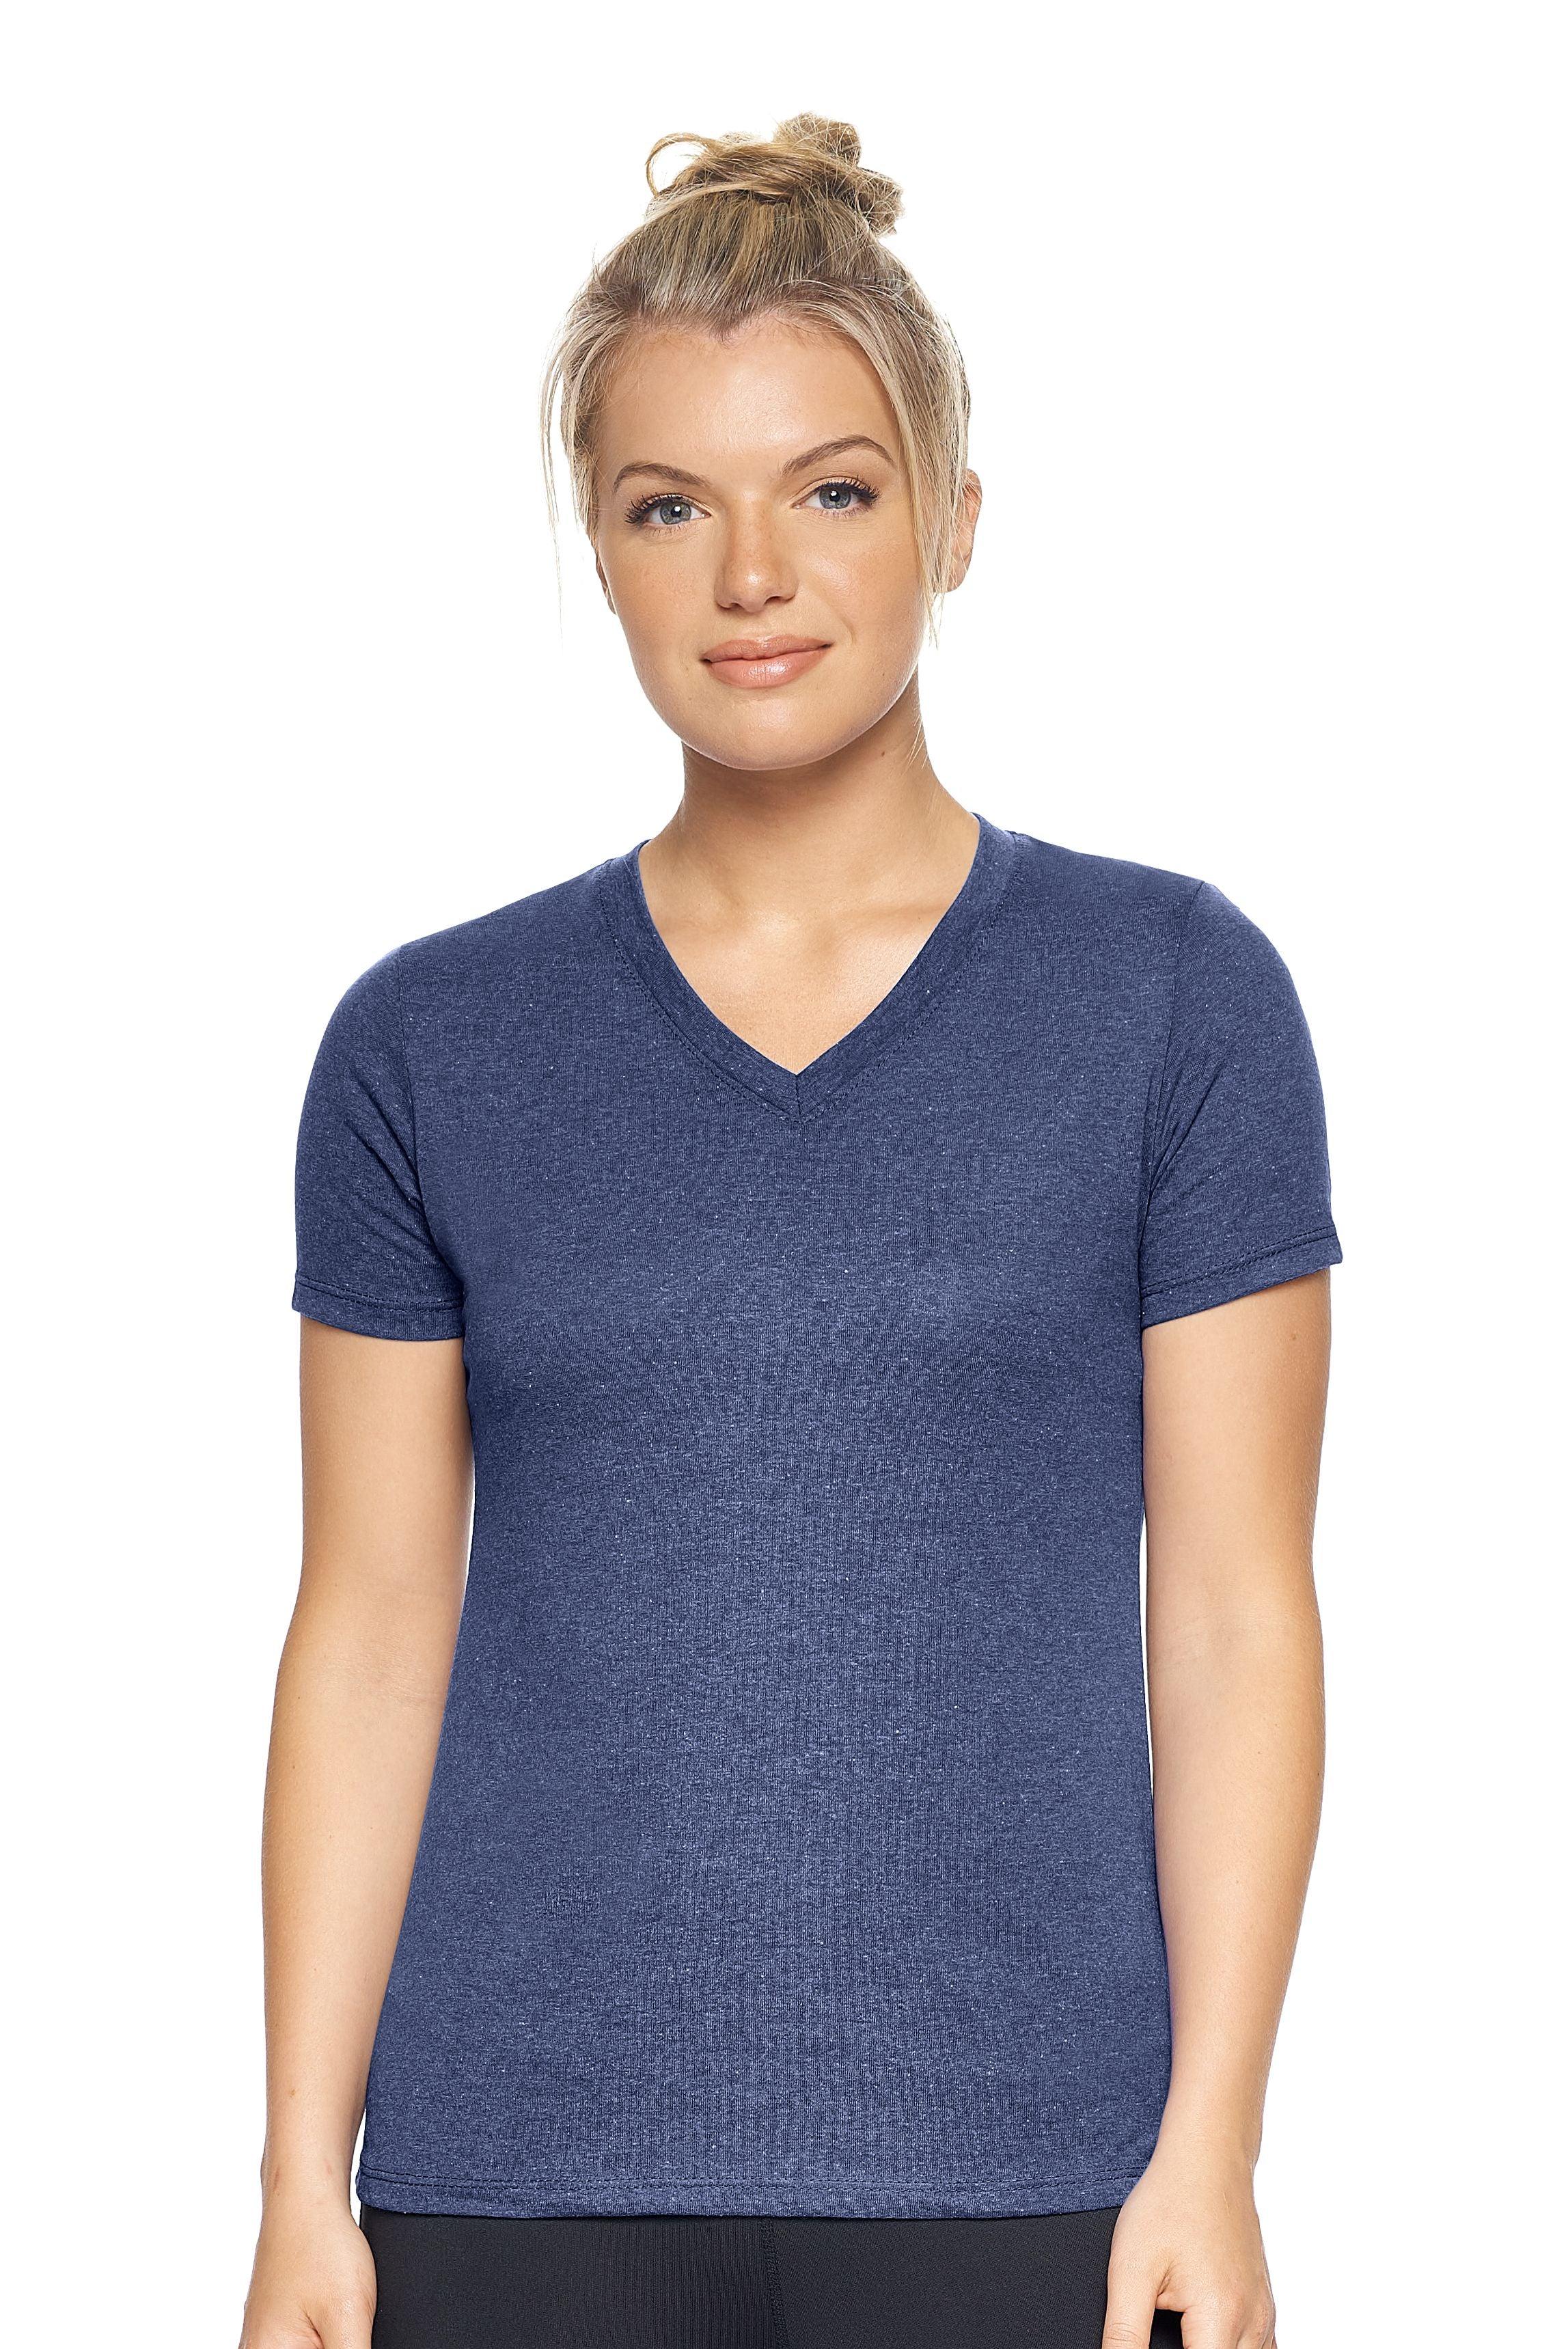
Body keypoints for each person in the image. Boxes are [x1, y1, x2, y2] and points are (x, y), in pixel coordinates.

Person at [240, 114, 1341, 2349]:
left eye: (832, 490)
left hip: (1037, 2178)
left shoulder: (1172, 1000)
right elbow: (367, 1629)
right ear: (604, 547)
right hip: (514, 2187)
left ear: (955, 519)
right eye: (672, 506)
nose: (754, 571)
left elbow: (1235, 1612)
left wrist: (1212, 2145)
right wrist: (293, 2181)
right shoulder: (429, 1045)